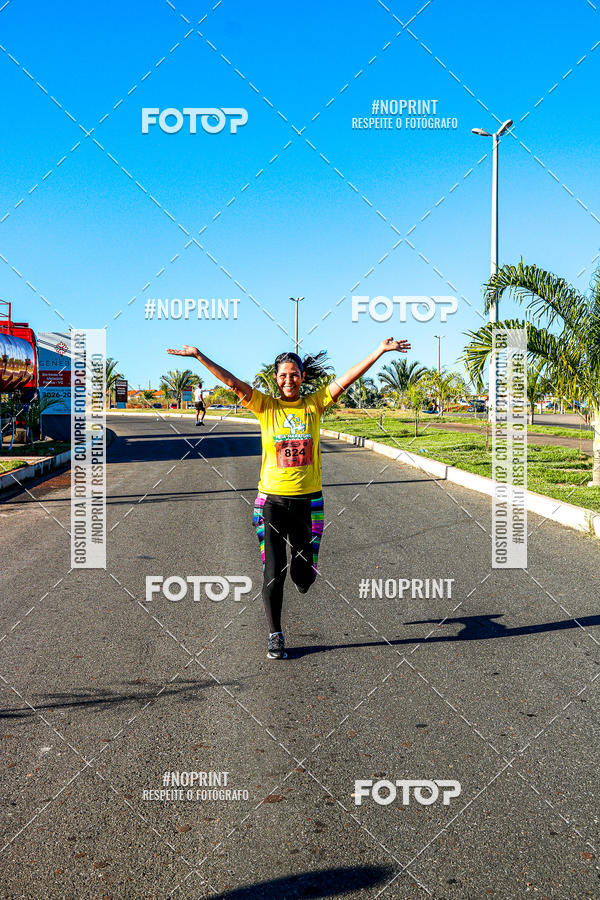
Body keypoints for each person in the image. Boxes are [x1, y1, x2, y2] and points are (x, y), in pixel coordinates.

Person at [167, 337, 410, 659]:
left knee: (303, 574)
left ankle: (304, 574)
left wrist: (380, 350)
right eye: (282, 375)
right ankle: (275, 633)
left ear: (303, 376)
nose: (288, 380)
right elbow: (231, 382)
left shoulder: (315, 404)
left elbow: (349, 377)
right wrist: (199, 355)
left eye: (294, 374)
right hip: (271, 502)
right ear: (275, 378)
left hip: (309, 503)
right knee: (273, 570)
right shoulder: (265, 406)